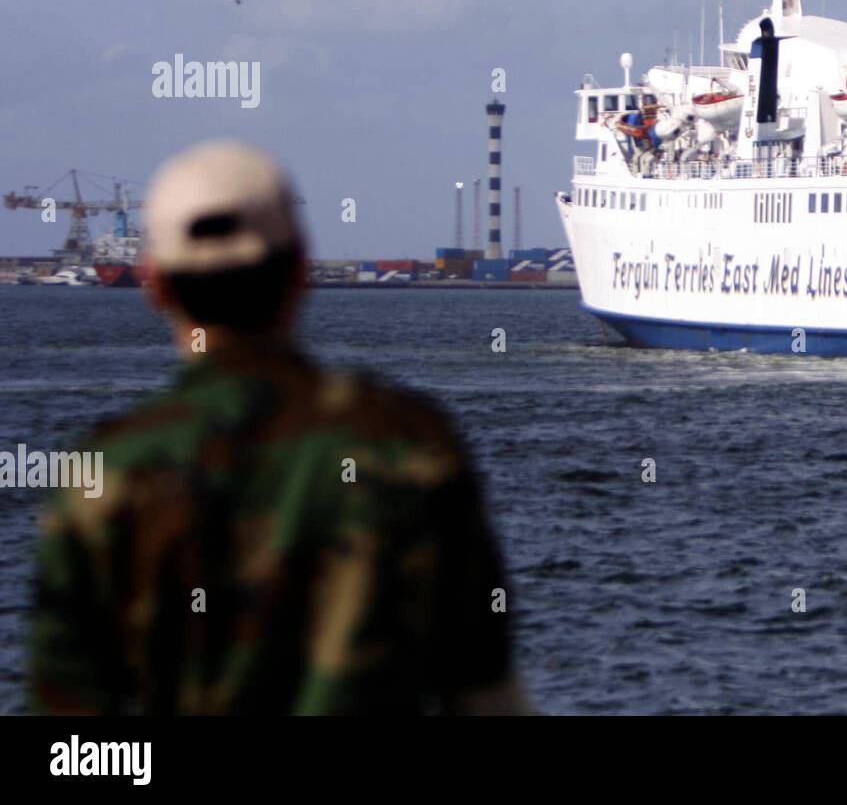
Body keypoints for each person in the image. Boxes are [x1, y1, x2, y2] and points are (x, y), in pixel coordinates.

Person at [29, 141, 527, 715]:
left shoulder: (102, 475)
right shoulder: (409, 444)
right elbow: (485, 693)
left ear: (155, 284)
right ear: (299, 270)